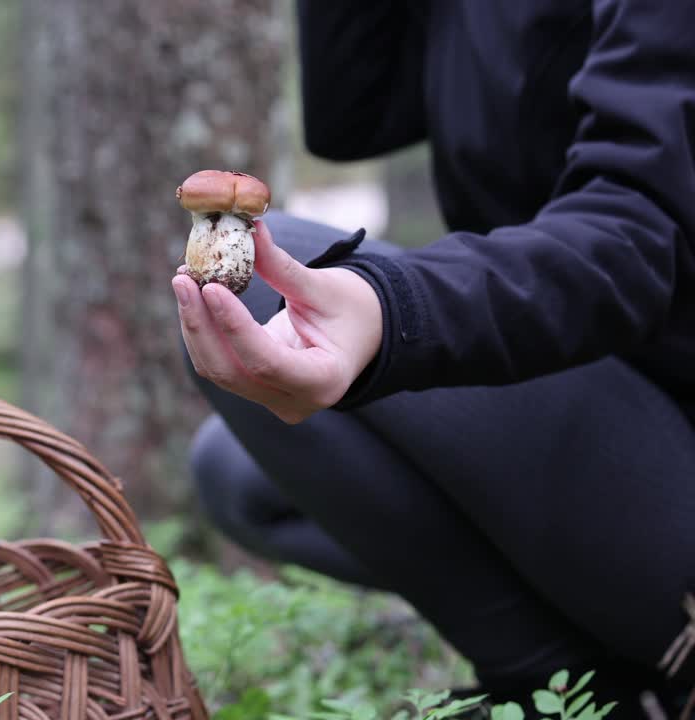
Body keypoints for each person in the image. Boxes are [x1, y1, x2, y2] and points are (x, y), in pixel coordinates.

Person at [174, 2, 695, 718]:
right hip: (606, 397)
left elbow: (645, 233)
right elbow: (352, 117)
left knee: (263, 285)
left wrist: (393, 311)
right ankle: (579, 688)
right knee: (237, 472)